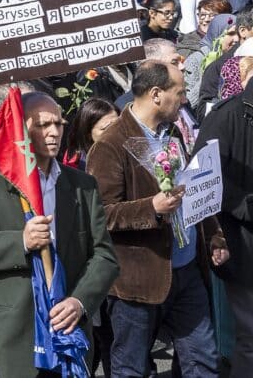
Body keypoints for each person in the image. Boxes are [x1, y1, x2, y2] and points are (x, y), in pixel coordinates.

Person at [0, 91, 120, 378]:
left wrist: (79, 301)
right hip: (14, 336)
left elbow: (105, 256)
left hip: (68, 331)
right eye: (42, 125)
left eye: (58, 123)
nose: (54, 132)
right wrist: (21, 242)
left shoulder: (83, 185)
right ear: (20, 130)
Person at [88, 61, 229, 377]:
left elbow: (193, 189)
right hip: (137, 281)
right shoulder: (110, 145)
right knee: (132, 367)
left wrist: (214, 236)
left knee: (203, 359)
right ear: (155, 94)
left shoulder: (172, 132)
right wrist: (151, 207)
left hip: (187, 270)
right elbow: (101, 214)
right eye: (179, 92)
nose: (184, 99)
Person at [195, 52, 253, 372]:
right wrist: (243, 205)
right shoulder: (226, 116)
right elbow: (202, 181)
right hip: (240, 242)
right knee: (251, 337)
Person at [59, 97, 119, 171]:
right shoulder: (76, 162)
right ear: (88, 134)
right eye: (106, 128)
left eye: (118, 125)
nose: (115, 131)